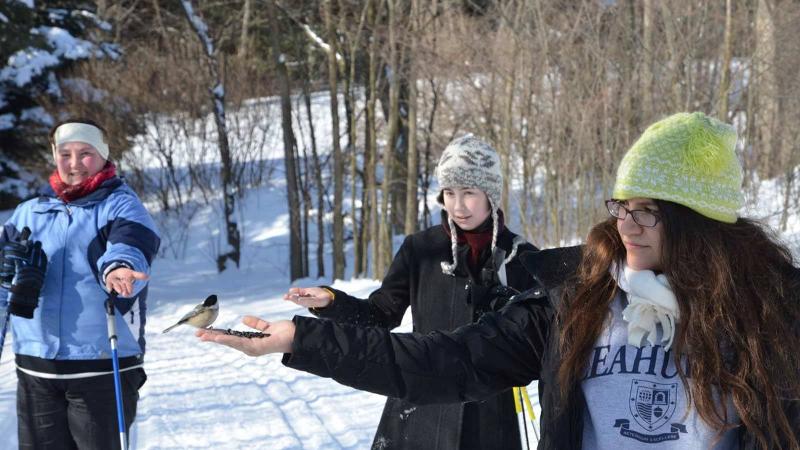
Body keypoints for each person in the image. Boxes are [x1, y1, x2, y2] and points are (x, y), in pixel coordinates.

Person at [198, 112, 800, 449]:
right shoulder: (578, 296)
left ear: (701, 224)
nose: (625, 225)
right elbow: (441, 355)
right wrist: (306, 337)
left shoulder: (771, 313)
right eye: (620, 206)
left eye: (647, 211)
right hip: (431, 417)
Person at [283, 134, 538, 449]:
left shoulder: (521, 257)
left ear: (490, 194)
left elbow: (538, 341)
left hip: (490, 422)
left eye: (469, 193)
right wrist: (332, 302)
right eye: (449, 193)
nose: (457, 206)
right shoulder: (421, 249)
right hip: (419, 412)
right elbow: (379, 316)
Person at [1, 118, 160, 449]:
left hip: (102, 366)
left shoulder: (121, 205)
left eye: (85, 153)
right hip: (36, 367)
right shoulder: (28, 213)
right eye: (65, 154)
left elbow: (129, 244)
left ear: (103, 155)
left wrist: (120, 269)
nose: (74, 164)